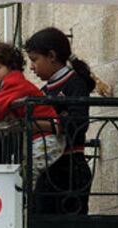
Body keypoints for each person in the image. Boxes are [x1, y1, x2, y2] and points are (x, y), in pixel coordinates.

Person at [0, 43, 65, 187]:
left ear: (12, 68)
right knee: (23, 174)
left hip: (47, 139)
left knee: (28, 176)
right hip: (35, 139)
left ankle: (26, 202)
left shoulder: (14, 83)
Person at [25, 27, 95, 214]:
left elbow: (79, 123)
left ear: (52, 56)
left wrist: (44, 124)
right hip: (48, 168)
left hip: (70, 166)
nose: (31, 67)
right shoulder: (44, 91)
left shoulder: (74, 83)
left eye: (34, 60)